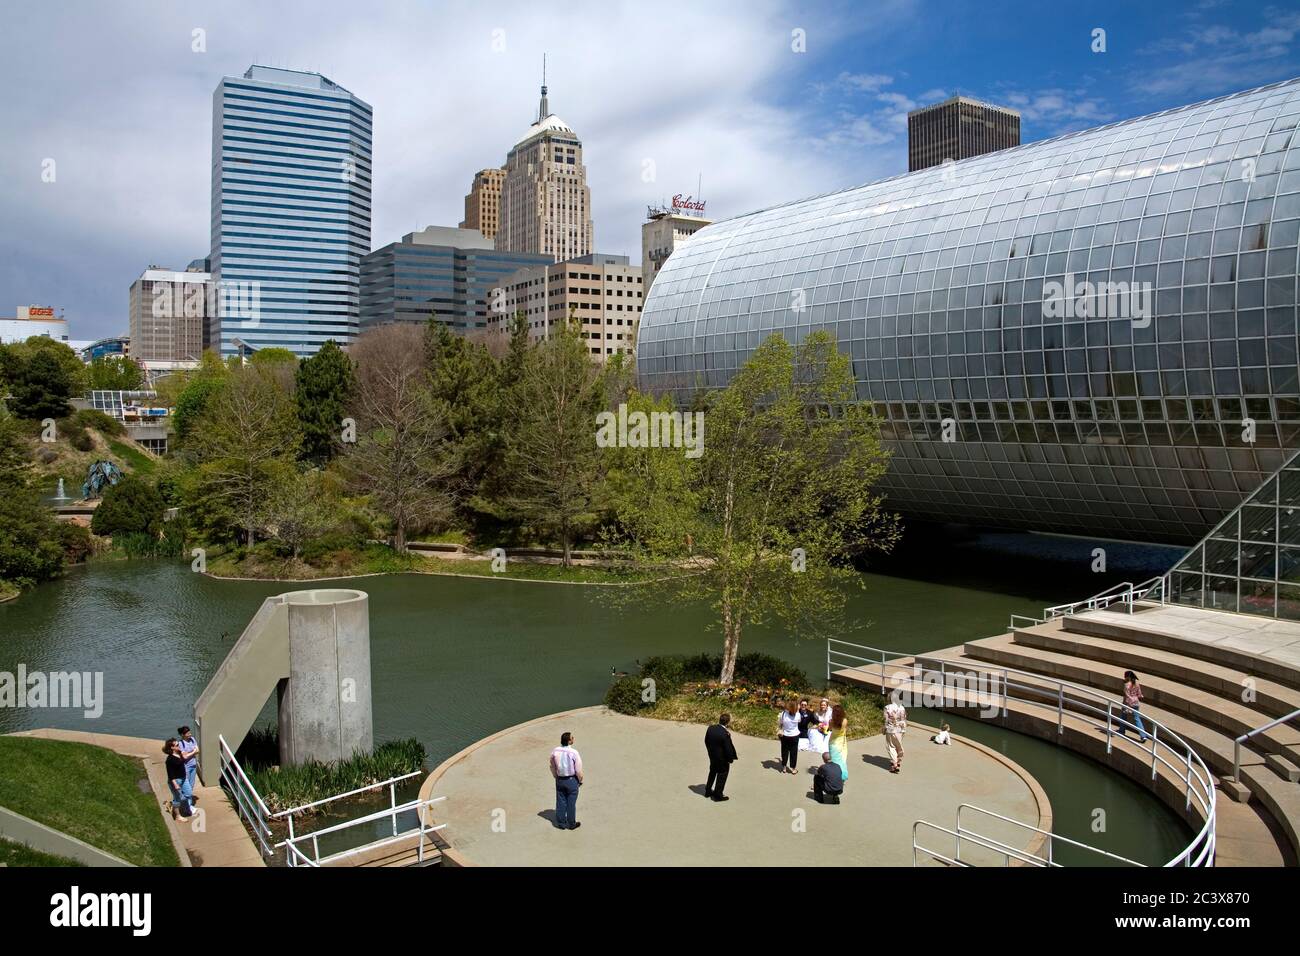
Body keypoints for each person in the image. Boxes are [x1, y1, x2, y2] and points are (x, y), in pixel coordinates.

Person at [549, 731, 583, 830]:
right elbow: (578, 770)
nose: (573, 739)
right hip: (571, 780)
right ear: (569, 741)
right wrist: (580, 780)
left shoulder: (555, 751)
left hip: (560, 780)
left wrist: (556, 776)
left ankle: (561, 823)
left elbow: (552, 766)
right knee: (571, 803)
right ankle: (571, 824)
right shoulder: (574, 752)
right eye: (572, 737)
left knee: (560, 801)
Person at [704, 713, 739, 801]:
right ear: (728, 722)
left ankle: (708, 791)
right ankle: (718, 795)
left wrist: (710, 752)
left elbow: (706, 741)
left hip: (712, 756)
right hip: (722, 759)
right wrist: (730, 759)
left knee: (712, 772)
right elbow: (728, 748)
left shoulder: (711, 728)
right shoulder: (725, 734)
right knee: (722, 775)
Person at [163, 738, 191, 818]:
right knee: (177, 798)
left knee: (188, 793)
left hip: (183, 778)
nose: (179, 746)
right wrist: (175, 784)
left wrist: (183, 755)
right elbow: (170, 774)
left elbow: (183, 761)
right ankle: (178, 816)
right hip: (175, 780)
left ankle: (171, 805)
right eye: (177, 745)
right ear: (172, 747)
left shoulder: (179, 753)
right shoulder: (170, 759)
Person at [1120, 671, 1149, 743]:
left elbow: (1127, 696)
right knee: (1137, 718)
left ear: (1127, 677)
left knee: (1123, 716)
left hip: (1128, 703)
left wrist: (1126, 705)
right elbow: (1140, 695)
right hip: (1136, 703)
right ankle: (1143, 736)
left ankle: (1122, 730)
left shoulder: (1127, 685)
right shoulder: (1137, 684)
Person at [177, 725, 199, 807]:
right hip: (186, 767)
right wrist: (193, 752)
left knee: (191, 784)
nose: (190, 734)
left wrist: (190, 753)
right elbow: (184, 757)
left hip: (193, 765)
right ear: (183, 735)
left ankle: (187, 803)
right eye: (188, 733)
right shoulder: (181, 744)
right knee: (186, 786)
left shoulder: (192, 740)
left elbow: (198, 751)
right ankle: (186, 804)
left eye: (190, 732)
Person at [777, 698, 801, 773]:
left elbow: (780, 723)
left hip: (785, 735)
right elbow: (799, 721)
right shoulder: (798, 715)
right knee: (794, 752)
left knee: (784, 751)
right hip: (795, 735)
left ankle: (784, 767)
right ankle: (793, 768)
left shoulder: (783, 714)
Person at [884, 696, 907, 773]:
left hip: (891, 729)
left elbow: (886, 720)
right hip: (901, 729)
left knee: (891, 746)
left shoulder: (887, 707)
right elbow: (904, 719)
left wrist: (884, 728)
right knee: (898, 745)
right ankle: (898, 760)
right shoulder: (902, 707)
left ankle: (894, 765)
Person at [827, 704, 849, 781]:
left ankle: (835, 778)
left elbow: (829, 729)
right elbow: (845, 729)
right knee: (842, 760)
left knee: (835, 761)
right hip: (842, 742)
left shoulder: (831, 721)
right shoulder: (845, 721)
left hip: (833, 743)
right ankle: (842, 777)